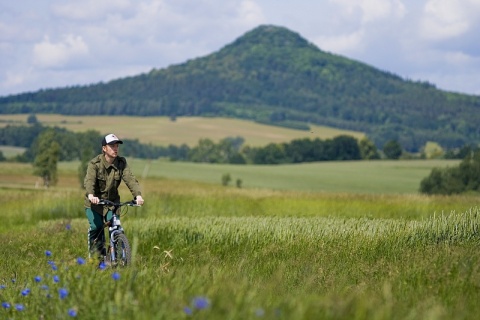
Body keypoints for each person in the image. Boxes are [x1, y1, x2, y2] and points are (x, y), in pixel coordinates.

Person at [83, 133, 144, 263]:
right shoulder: (95, 164)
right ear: (104, 148)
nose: (115, 148)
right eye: (112, 146)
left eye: (116, 146)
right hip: (95, 203)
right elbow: (89, 181)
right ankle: (95, 259)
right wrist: (91, 195)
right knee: (97, 227)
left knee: (116, 227)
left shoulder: (121, 163)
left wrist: (137, 195)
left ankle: (117, 259)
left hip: (112, 204)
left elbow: (130, 179)